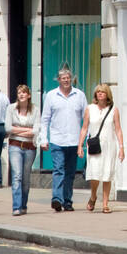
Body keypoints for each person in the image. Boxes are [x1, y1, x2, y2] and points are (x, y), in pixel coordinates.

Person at [40, 67, 87, 212]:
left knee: (70, 173)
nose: (66, 80)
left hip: (74, 141)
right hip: (57, 140)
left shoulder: (79, 95)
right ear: (59, 80)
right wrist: (43, 138)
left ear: (71, 79)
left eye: (68, 77)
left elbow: (86, 119)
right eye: (63, 78)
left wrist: (86, 140)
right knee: (59, 170)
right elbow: (45, 119)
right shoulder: (51, 96)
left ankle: (67, 201)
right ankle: (57, 199)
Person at [79, 83, 124, 213]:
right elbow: (84, 128)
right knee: (94, 174)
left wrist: (121, 147)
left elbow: (118, 129)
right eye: (98, 92)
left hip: (109, 146)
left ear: (107, 95)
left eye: (103, 92)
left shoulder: (114, 109)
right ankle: (93, 196)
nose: (100, 94)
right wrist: (80, 145)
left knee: (107, 174)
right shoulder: (90, 108)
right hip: (94, 146)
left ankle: (105, 203)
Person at [6, 84, 38, 215]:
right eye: (19, 93)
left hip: (30, 147)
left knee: (25, 178)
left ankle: (24, 205)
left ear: (28, 95)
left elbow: (36, 130)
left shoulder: (35, 109)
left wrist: (17, 130)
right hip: (15, 146)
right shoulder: (10, 108)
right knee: (17, 176)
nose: (21, 95)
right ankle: (16, 207)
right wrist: (27, 130)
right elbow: (8, 129)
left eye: (24, 93)